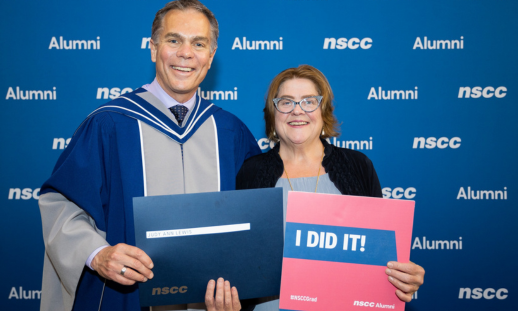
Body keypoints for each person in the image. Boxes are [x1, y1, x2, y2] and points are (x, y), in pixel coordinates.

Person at [39, 1, 259, 311]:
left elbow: (256, 223)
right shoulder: (109, 124)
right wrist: (97, 254)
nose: (186, 53)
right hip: (125, 298)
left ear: (210, 57)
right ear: (153, 48)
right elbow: (61, 207)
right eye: (173, 40)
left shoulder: (231, 133)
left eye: (199, 43)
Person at [236, 65, 425, 310]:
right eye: (286, 102)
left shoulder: (357, 166)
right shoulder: (250, 173)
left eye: (309, 101)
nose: (297, 111)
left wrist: (403, 278)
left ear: (323, 110)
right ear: (273, 113)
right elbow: (241, 264)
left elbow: (381, 256)